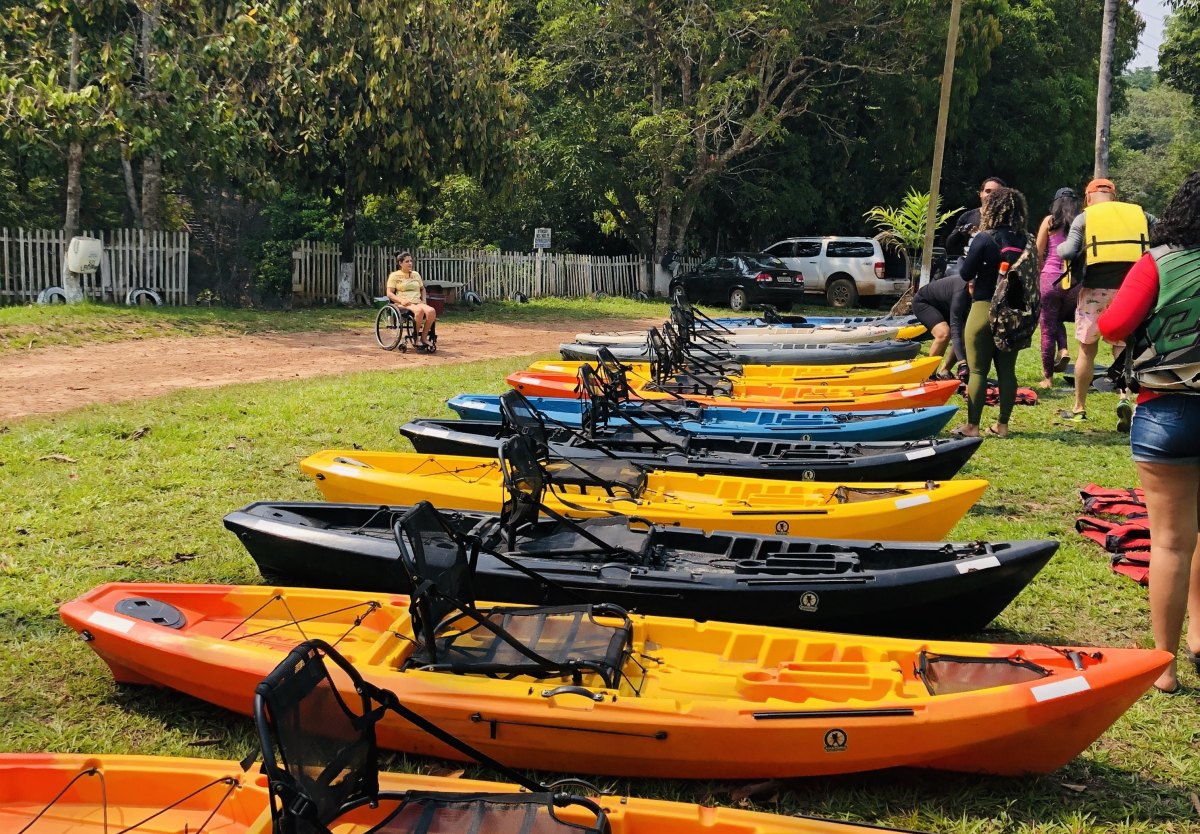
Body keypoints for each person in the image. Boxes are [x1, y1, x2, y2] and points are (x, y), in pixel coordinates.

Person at [1097, 169, 1200, 693]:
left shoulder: (1158, 263)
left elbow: (1113, 326)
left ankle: (1165, 667)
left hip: (1166, 413)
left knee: (1171, 543)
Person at [1056, 178, 1155, 429]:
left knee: (1087, 350)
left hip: (1094, 293)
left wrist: (1057, 250)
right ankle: (1125, 399)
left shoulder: (1084, 218)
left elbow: (1067, 251)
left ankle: (1079, 408)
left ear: (1088, 196)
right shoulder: (1140, 214)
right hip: (1130, 292)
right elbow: (1164, 232)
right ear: (1114, 195)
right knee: (1123, 349)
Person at [952, 185, 1033, 438]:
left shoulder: (984, 238)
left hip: (984, 308)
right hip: (1014, 313)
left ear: (992, 209)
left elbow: (965, 273)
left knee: (977, 370)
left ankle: (972, 427)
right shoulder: (1027, 240)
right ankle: (1003, 425)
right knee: (1007, 371)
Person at [1034, 187, 1082, 388]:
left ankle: (1048, 378)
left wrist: (1041, 272)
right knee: (1058, 318)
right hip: (1075, 282)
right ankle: (1063, 350)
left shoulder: (1049, 221)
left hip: (1051, 278)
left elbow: (1038, 250)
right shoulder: (1083, 221)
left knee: (1047, 326)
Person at [911, 273, 969, 378]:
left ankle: (944, 372)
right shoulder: (960, 293)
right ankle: (929, 375)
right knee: (944, 334)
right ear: (971, 285)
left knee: (965, 336)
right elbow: (955, 330)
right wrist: (962, 362)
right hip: (924, 302)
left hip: (946, 305)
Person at [944, 176, 1008, 263]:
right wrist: (961, 231)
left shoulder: (1009, 219)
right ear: (981, 193)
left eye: (996, 193)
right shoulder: (967, 217)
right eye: (988, 191)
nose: (991, 195)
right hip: (969, 266)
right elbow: (950, 246)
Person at [385, 252, 437, 350]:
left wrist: (424, 300)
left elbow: (422, 289)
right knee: (419, 311)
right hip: (403, 302)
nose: (410, 263)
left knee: (431, 311)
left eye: (411, 261)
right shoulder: (394, 275)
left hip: (417, 302)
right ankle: (415, 338)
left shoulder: (416, 274)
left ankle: (424, 338)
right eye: (407, 261)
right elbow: (389, 293)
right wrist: (401, 300)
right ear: (400, 263)